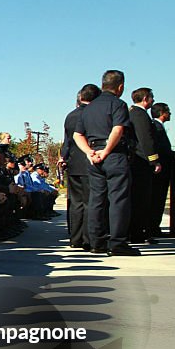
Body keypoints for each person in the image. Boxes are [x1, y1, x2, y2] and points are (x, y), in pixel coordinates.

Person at [73, 69, 137, 256]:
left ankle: (96, 242)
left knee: (96, 199)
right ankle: (117, 243)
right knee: (118, 199)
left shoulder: (88, 108)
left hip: (94, 156)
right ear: (121, 86)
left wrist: (89, 153)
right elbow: (118, 129)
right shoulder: (118, 104)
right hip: (113, 154)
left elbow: (78, 134)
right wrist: (107, 151)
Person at [61, 84, 101, 248]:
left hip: (73, 163)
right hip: (88, 161)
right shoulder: (92, 114)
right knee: (89, 202)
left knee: (76, 203)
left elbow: (67, 141)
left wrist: (64, 157)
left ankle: (75, 238)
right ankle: (87, 239)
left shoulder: (70, 115)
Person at [128, 87, 160, 244]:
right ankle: (138, 232)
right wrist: (154, 160)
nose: (153, 101)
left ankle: (137, 230)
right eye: (151, 97)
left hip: (137, 161)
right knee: (141, 198)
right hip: (141, 162)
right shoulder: (139, 114)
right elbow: (146, 139)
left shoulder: (134, 112)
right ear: (145, 98)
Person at [148, 101, 173, 236]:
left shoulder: (159, 127)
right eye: (168, 111)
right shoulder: (156, 127)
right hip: (158, 170)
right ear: (162, 113)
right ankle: (152, 227)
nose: (170, 114)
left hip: (164, 168)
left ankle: (154, 226)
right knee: (156, 199)